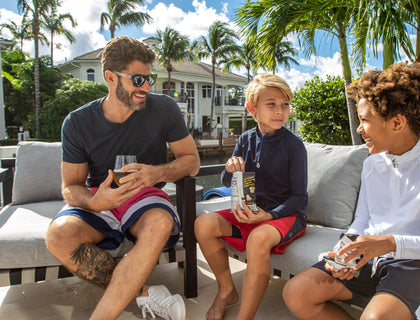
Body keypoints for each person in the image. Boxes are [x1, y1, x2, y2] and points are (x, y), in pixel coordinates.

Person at [282, 62, 420, 320]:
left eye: (364, 120)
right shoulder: (372, 163)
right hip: (370, 255)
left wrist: (389, 243)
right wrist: (344, 254)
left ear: (396, 122)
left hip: (419, 262)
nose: (360, 129)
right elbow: (362, 221)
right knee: (296, 292)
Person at [45, 36, 200, 320]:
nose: (147, 87)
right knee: (58, 235)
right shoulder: (78, 122)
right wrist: (94, 202)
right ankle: (143, 294)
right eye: (138, 79)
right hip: (100, 195)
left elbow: (192, 161)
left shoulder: (164, 108)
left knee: (160, 224)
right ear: (110, 77)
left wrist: (158, 173)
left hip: (146, 194)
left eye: (149, 79)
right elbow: (71, 186)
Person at [195, 73, 308, 320]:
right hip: (253, 211)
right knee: (203, 223)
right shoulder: (245, 140)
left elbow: (300, 199)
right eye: (272, 104)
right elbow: (227, 183)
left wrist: (269, 215)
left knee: (257, 238)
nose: (280, 111)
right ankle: (226, 291)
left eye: (285, 104)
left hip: (285, 215)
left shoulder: (294, 146)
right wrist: (229, 169)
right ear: (252, 108)